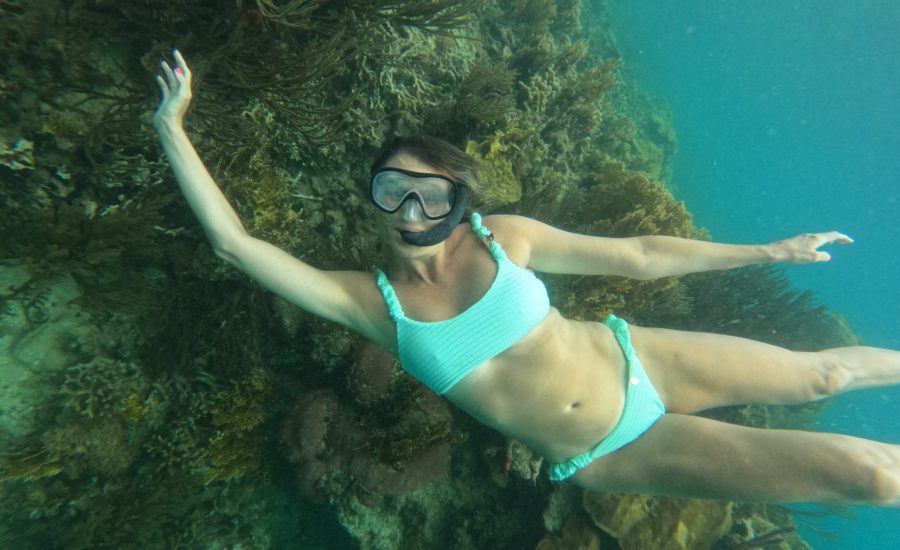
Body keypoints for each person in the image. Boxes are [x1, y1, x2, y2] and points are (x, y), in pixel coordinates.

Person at [154, 50, 900, 506]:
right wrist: (172, 129)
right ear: (374, 197)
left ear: (460, 198)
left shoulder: (503, 237)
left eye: (432, 193)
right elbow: (233, 244)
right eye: (392, 190)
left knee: (826, 376)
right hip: (612, 450)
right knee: (870, 476)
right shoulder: (370, 306)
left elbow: (639, 254)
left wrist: (766, 253)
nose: (412, 211)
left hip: (642, 359)